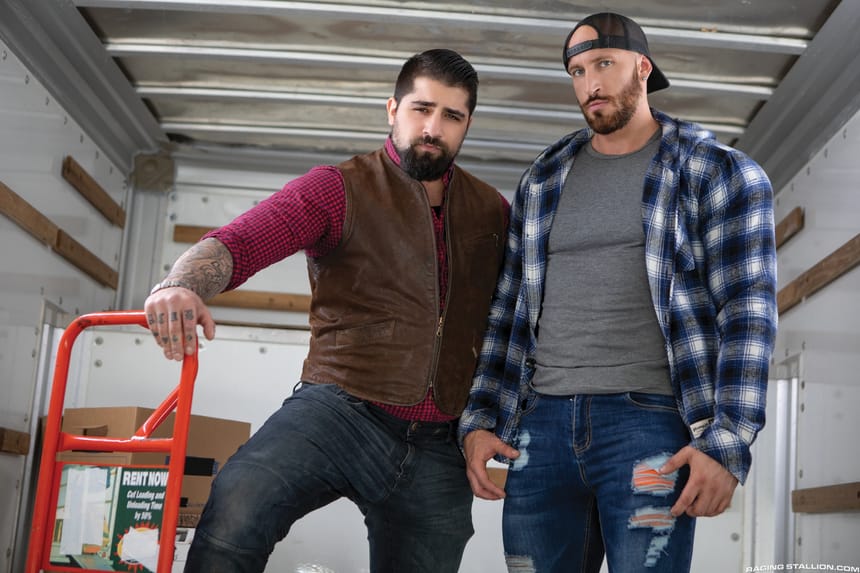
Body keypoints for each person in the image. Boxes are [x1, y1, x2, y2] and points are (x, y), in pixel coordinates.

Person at [144, 48, 508, 573]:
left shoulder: (492, 211)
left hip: (440, 443)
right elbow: (239, 242)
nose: (433, 128)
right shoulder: (339, 188)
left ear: (468, 124)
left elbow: (514, 323)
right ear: (393, 109)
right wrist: (179, 285)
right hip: (339, 410)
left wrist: (485, 422)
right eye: (421, 109)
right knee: (240, 500)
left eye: (452, 115)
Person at [459, 12, 778, 573]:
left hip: (648, 424)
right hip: (540, 430)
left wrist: (728, 442)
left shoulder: (717, 172)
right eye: (578, 72)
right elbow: (509, 310)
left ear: (643, 68)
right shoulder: (544, 178)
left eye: (604, 64)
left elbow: (748, 313)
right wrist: (481, 418)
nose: (591, 84)